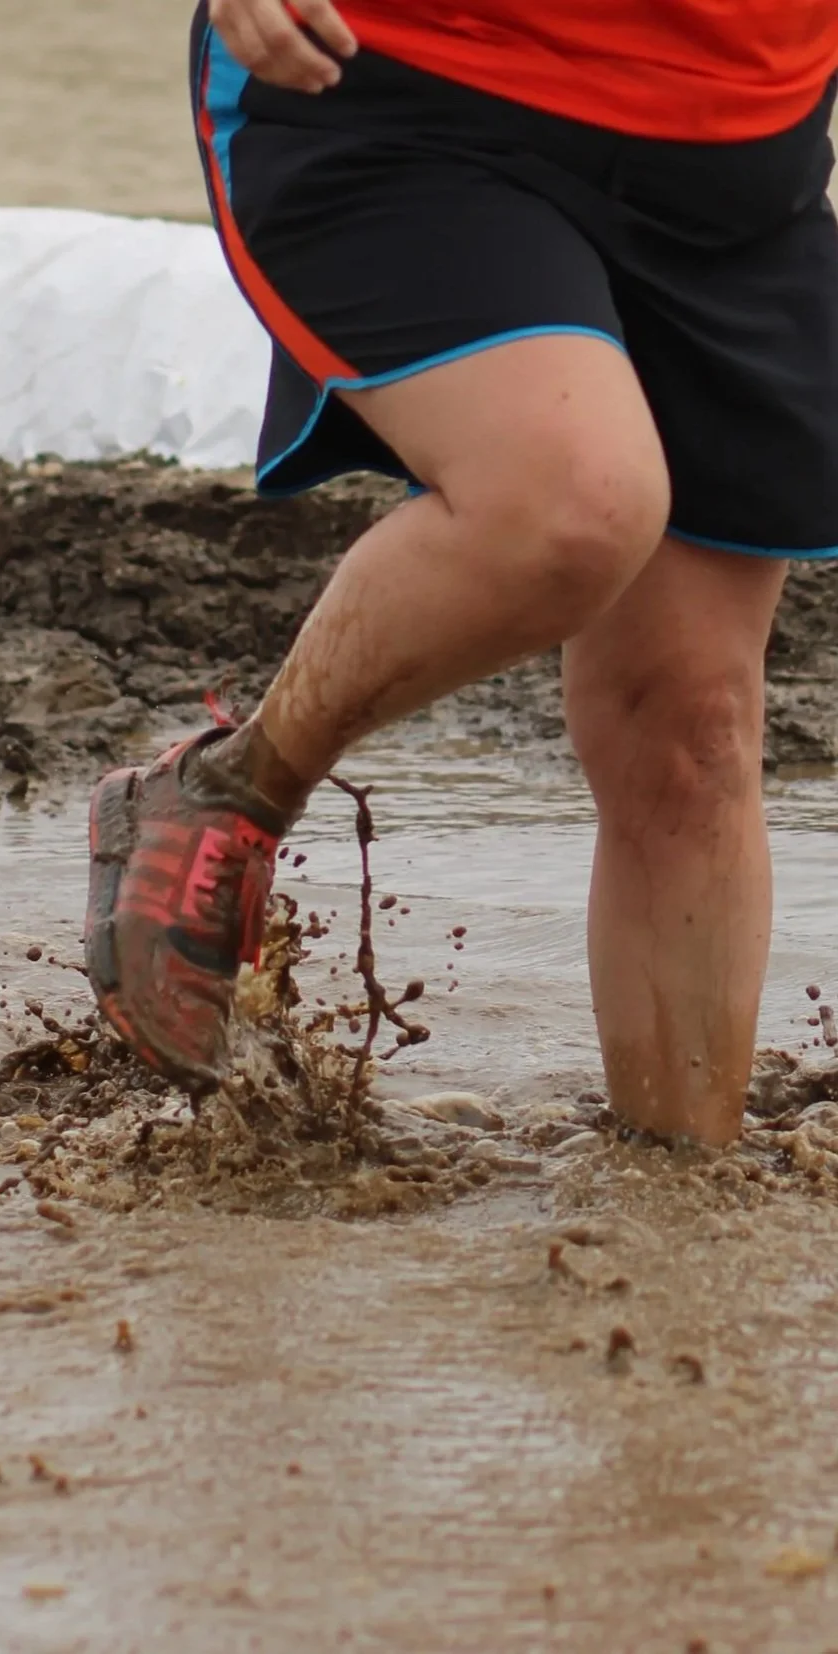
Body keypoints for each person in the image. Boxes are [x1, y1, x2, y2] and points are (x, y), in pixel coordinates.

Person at [85, 0, 838, 1148]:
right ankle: (236, 785)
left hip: (731, 148)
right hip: (415, 90)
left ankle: (680, 1212)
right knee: (573, 503)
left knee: (691, 728)